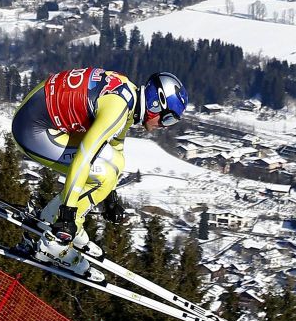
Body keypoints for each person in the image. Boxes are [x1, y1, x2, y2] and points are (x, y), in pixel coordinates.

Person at [12, 68, 188, 281]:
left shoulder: (128, 95)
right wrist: (68, 213)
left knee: (115, 164)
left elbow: (115, 147)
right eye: (167, 119)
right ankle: (54, 243)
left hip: (37, 118)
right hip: (32, 131)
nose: (164, 126)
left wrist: (110, 197)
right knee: (104, 173)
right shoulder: (118, 110)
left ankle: (49, 218)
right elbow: (84, 158)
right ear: (155, 104)